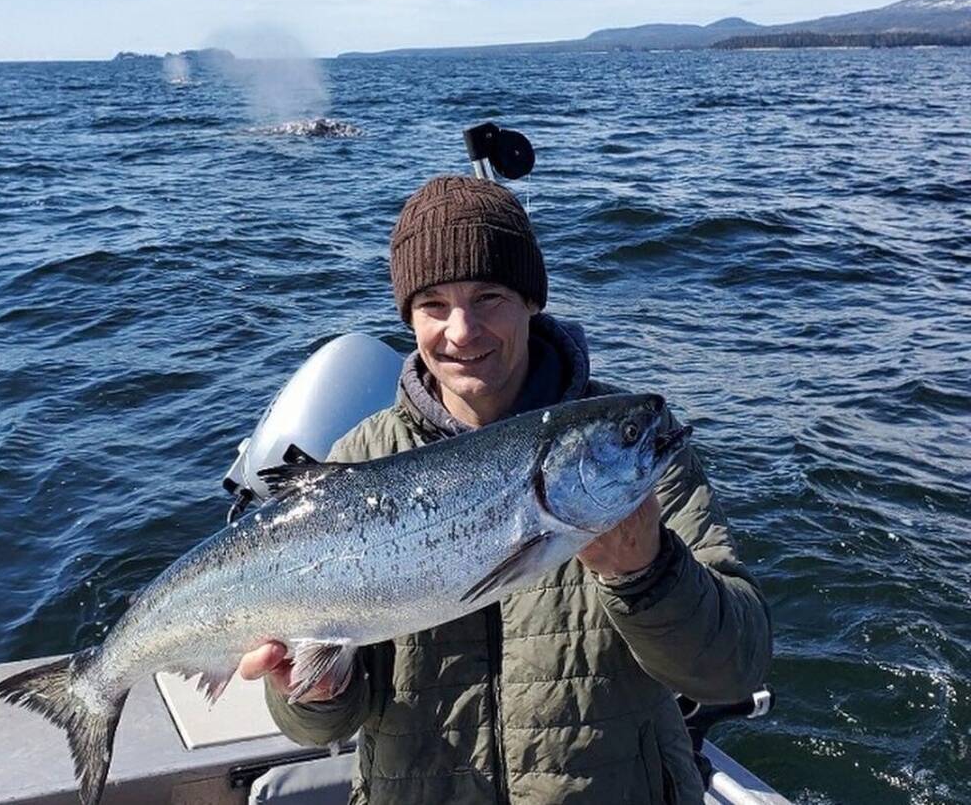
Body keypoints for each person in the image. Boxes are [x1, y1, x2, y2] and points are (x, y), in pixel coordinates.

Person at [239, 176, 772, 804]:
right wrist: (314, 691)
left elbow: (733, 667)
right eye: (433, 304)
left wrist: (648, 575)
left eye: (489, 296)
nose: (462, 331)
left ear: (531, 302)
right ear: (408, 317)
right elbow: (320, 724)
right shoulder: (361, 459)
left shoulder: (635, 457)